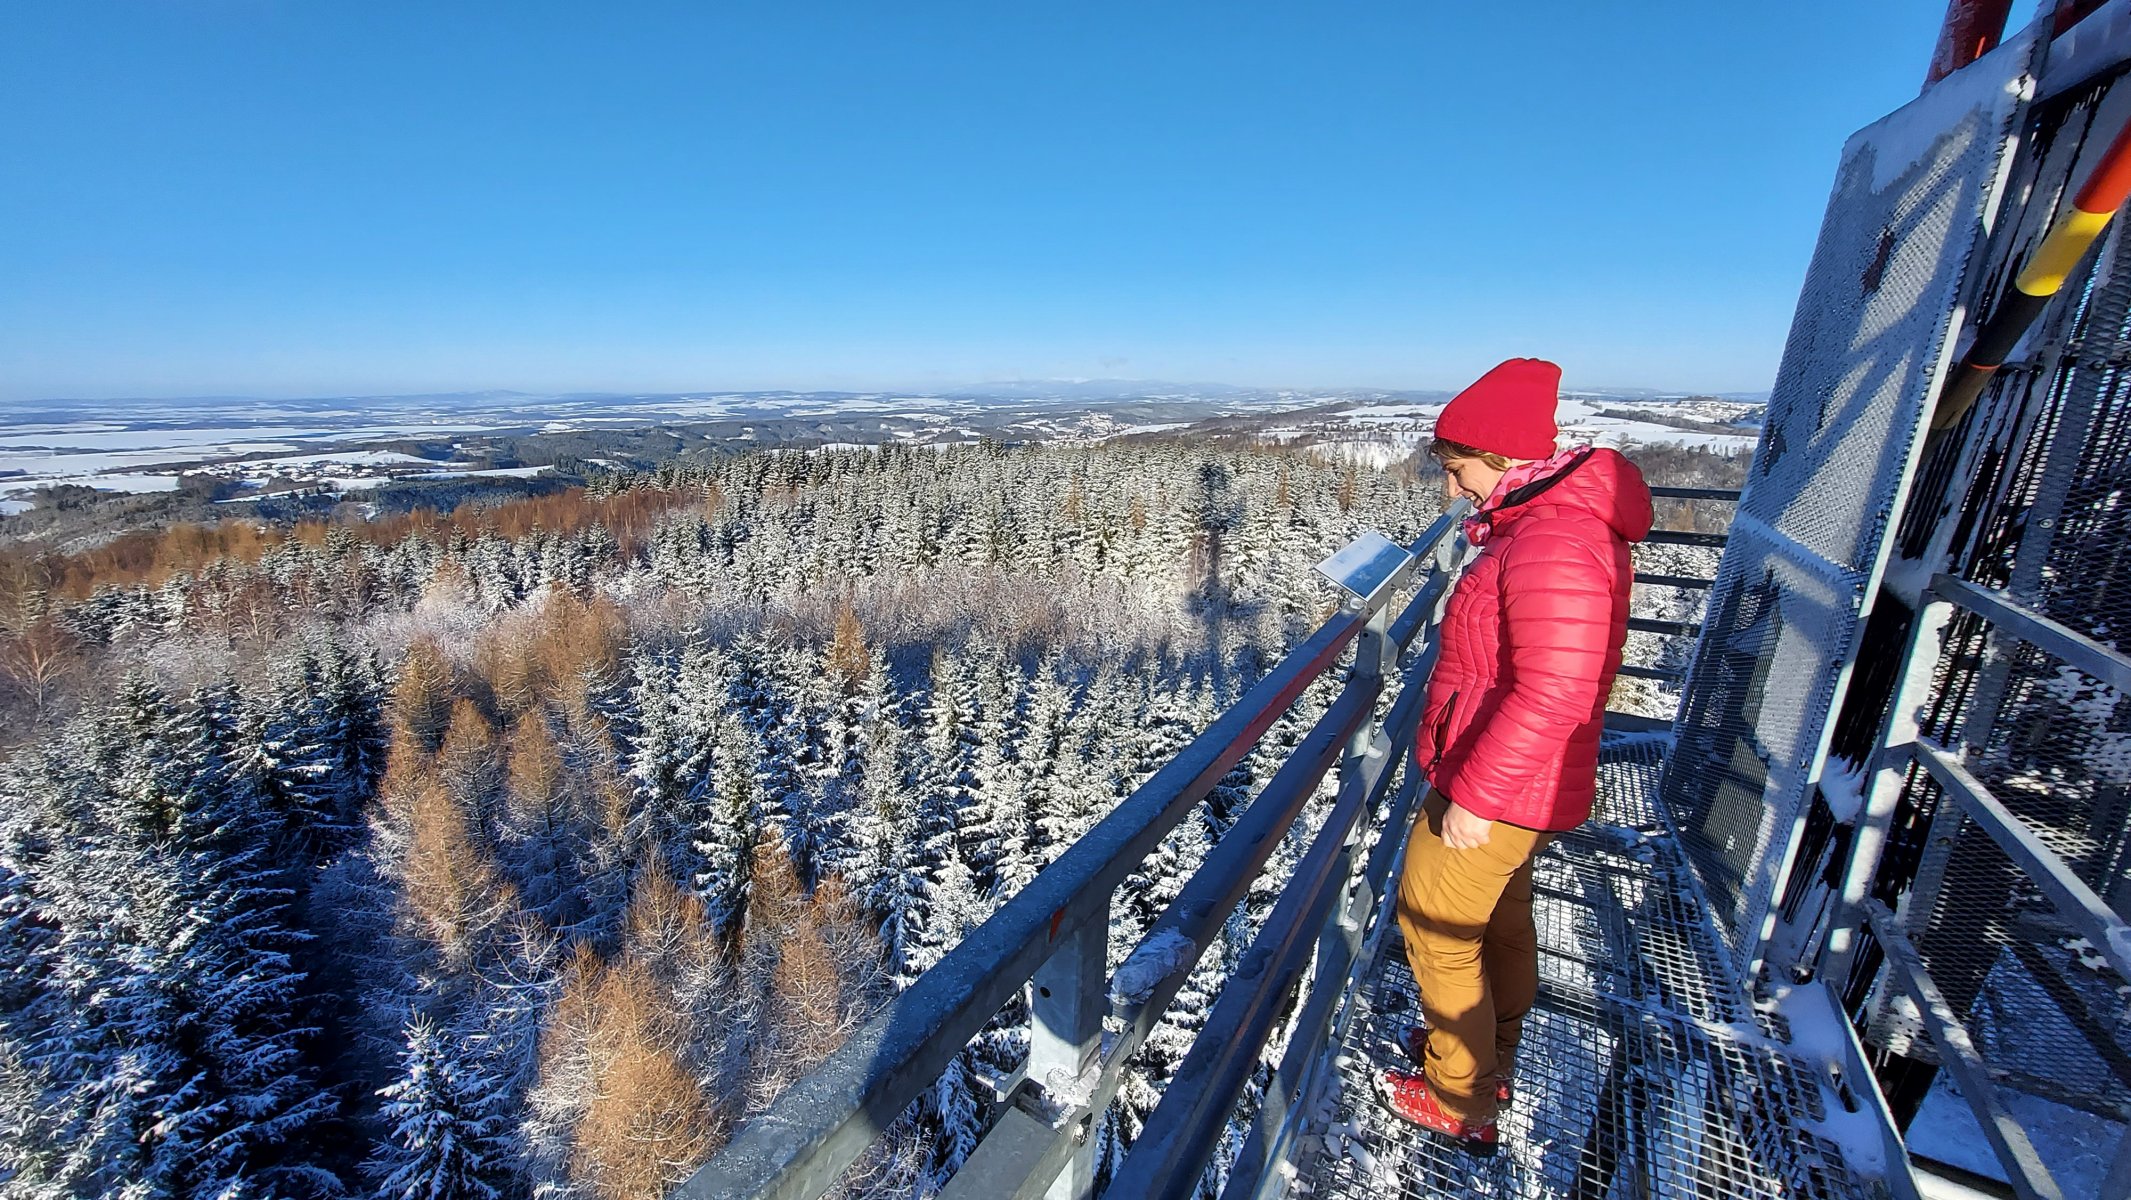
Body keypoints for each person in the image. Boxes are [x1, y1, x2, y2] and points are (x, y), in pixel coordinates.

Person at [1377, 357, 1652, 1151]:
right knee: (1497, 920)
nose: (1451, 486)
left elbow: (1555, 692)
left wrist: (1475, 795)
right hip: (1505, 776)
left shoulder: (1553, 540)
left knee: (1433, 925)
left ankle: (1459, 1098)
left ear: (1498, 455)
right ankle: (1485, 1057)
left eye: (1456, 466)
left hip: (1497, 784)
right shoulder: (1542, 525)